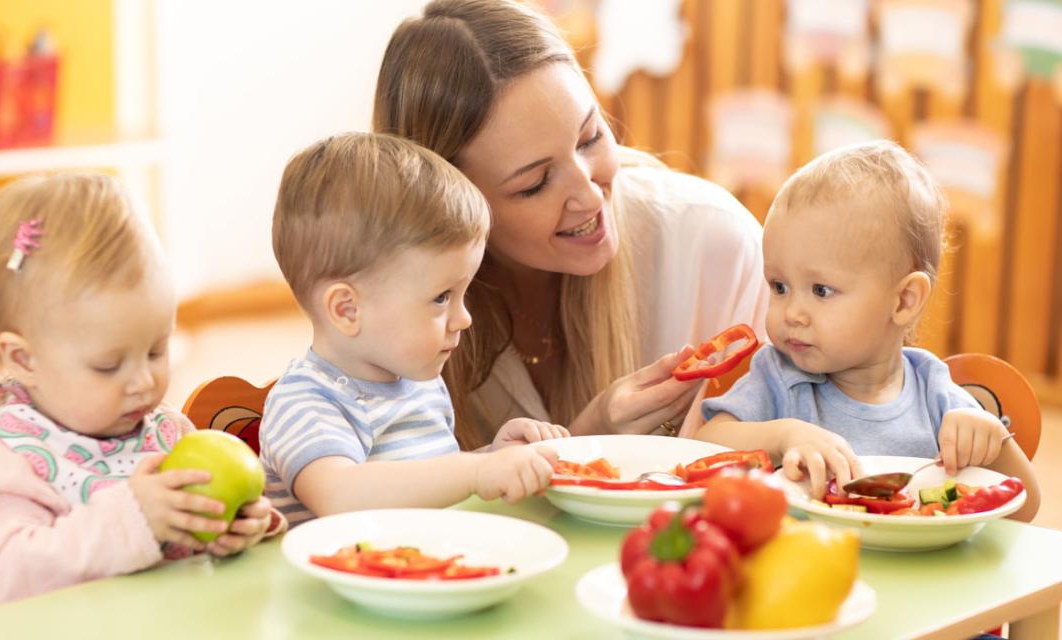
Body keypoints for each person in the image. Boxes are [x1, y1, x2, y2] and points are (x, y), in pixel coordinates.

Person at [373, 0, 768, 450]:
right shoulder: (395, 309)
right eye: (535, 183)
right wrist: (590, 436)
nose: (589, 194)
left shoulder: (713, 244)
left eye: (591, 137)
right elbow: (406, 504)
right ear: (449, 202)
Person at [0, 174, 282, 608]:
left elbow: (201, 556)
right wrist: (132, 520)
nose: (144, 382)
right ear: (24, 360)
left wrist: (242, 527)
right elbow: (2, 580)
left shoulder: (169, 433)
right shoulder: (11, 461)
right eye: (108, 365)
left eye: (156, 350)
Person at [694, 141, 1040, 521]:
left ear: (904, 301)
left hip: (918, 573)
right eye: (779, 286)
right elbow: (704, 446)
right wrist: (783, 436)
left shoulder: (934, 390)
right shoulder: (780, 376)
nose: (792, 312)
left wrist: (991, 439)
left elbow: (1026, 508)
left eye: (821, 290)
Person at [262, 133, 567, 526]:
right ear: (347, 309)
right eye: (442, 297)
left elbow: (422, 485)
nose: (464, 318)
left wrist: (490, 458)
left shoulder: (416, 383)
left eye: (463, 293)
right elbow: (342, 495)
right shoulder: (306, 401)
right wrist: (472, 473)